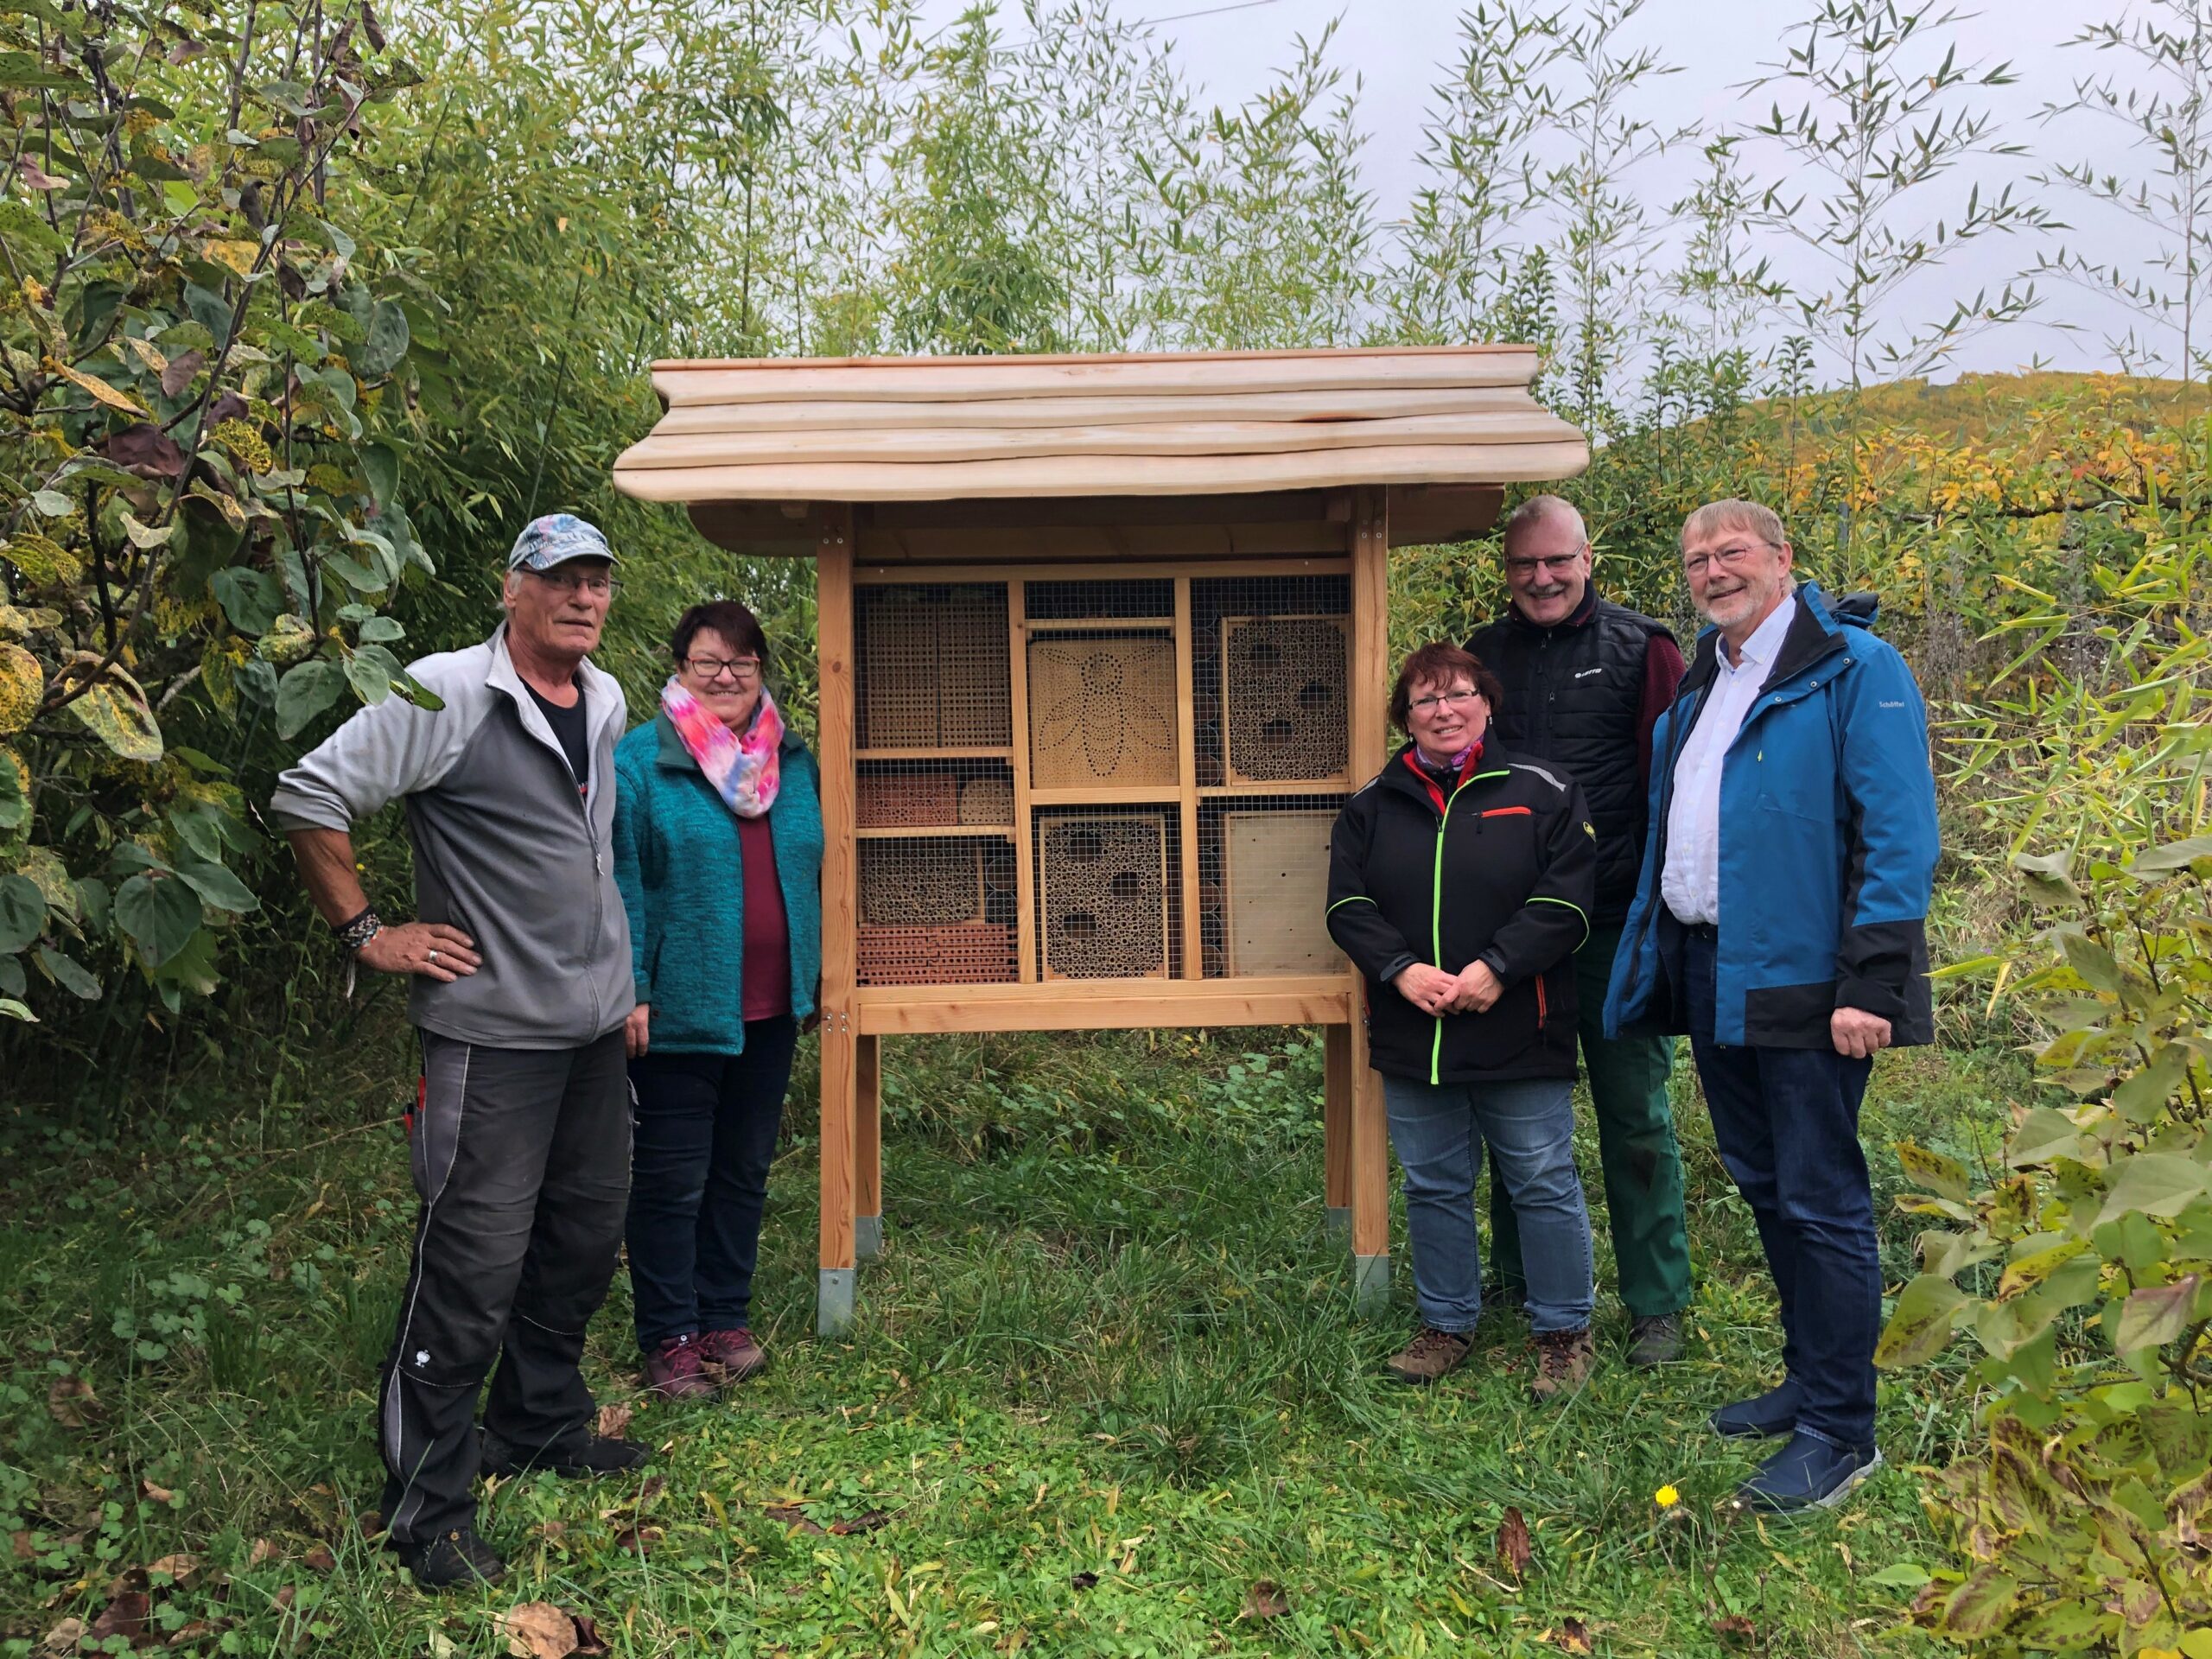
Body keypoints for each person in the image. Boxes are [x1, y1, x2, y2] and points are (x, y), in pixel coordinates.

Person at [269, 513, 642, 1591]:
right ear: (512, 589)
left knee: (581, 1241)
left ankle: (538, 1423)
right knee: (470, 1269)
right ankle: (426, 1509)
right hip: (488, 1041)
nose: (583, 598)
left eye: (598, 582)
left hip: (592, 1036)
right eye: (560, 578)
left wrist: (618, 986)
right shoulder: (446, 694)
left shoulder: (606, 700)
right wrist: (368, 931)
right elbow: (308, 795)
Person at [1607, 499, 1938, 1514]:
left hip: (1808, 978)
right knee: (1762, 1181)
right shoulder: (1707, 680)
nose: (1713, 571)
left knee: (1822, 1195)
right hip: (1713, 967)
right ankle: (1809, 1378)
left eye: (1732, 552)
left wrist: (1870, 981)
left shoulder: (1852, 669)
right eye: (1697, 559)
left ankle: (1842, 1432)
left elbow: (1899, 830)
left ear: (1783, 560)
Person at [1327, 643, 1602, 1400]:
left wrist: (1499, 967)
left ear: (1487, 702)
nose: (1443, 711)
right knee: (1434, 1184)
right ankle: (1446, 1324)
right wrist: (1400, 970)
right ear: (1404, 717)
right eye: (1424, 701)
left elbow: (1569, 899)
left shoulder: (1542, 791)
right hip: (1417, 1031)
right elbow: (1348, 906)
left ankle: (1563, 1333)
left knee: (1543, 1180)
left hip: (1520, 1022)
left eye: (1458, 695)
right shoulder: (1371, 805)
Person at [1467, 495, 1693, 1367]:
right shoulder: (1482, 658)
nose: (1541, 578)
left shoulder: (1645, 650)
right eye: (1524, 565)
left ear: (1587, 558)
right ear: (1507, 571)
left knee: (1632, 1114)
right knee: (1518, 1113)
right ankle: (1518, 1279)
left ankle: (1656, 1302)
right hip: (1513, 932)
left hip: (1612, 922)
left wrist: (1663, 908)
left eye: (1556, 561)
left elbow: (1673, 782)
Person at [613, 601, 823, 1401]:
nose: (726, 677)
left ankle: (724, 1317)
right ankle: (668, 1335)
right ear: (680, 670)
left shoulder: (792, 763)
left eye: (742, 663)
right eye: (708, 663)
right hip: (677, 1013)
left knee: (743, 1170)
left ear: (761, 671)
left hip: (771, 1007)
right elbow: (621, 883)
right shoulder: (644, 763)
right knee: (672, 1180)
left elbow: (814, 872)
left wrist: (818, 969)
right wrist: (631, 987)